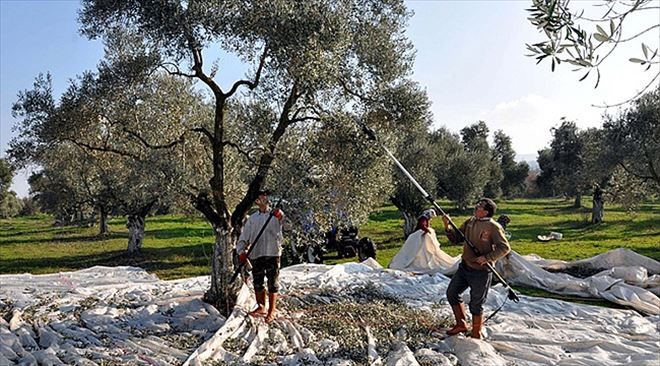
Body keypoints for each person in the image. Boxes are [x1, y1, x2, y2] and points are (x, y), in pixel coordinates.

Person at [442, 198, 510, 339]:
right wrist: (447, 226)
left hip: (481, 272)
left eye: (480, 206)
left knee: (476, 303)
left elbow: (504, 248)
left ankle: (476, 333)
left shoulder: (493, 227)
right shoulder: (470, 222)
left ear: (486, 211)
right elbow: (456, 239)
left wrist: (487, 258)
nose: (476, 207)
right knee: (452, 293)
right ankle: (461, 324)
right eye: (477, 204)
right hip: (464, 267)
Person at [236, 190, 284, 323]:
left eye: (263, 196)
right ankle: (261, 306)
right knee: (258, 281)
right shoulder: (252, 219)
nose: (261, 198)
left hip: (272, 252)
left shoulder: (276, 215)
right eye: (258, 197)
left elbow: (287, 226)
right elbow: (244, 237)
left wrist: (280, 216)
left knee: (272, 282)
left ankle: (271, 310)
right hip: (256, 253)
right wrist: (241, 251)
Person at [389, 208, 454, 274]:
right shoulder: (423, 219)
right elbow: (422, 225)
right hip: (418, 236)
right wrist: (427, 230)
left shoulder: (424, 218)